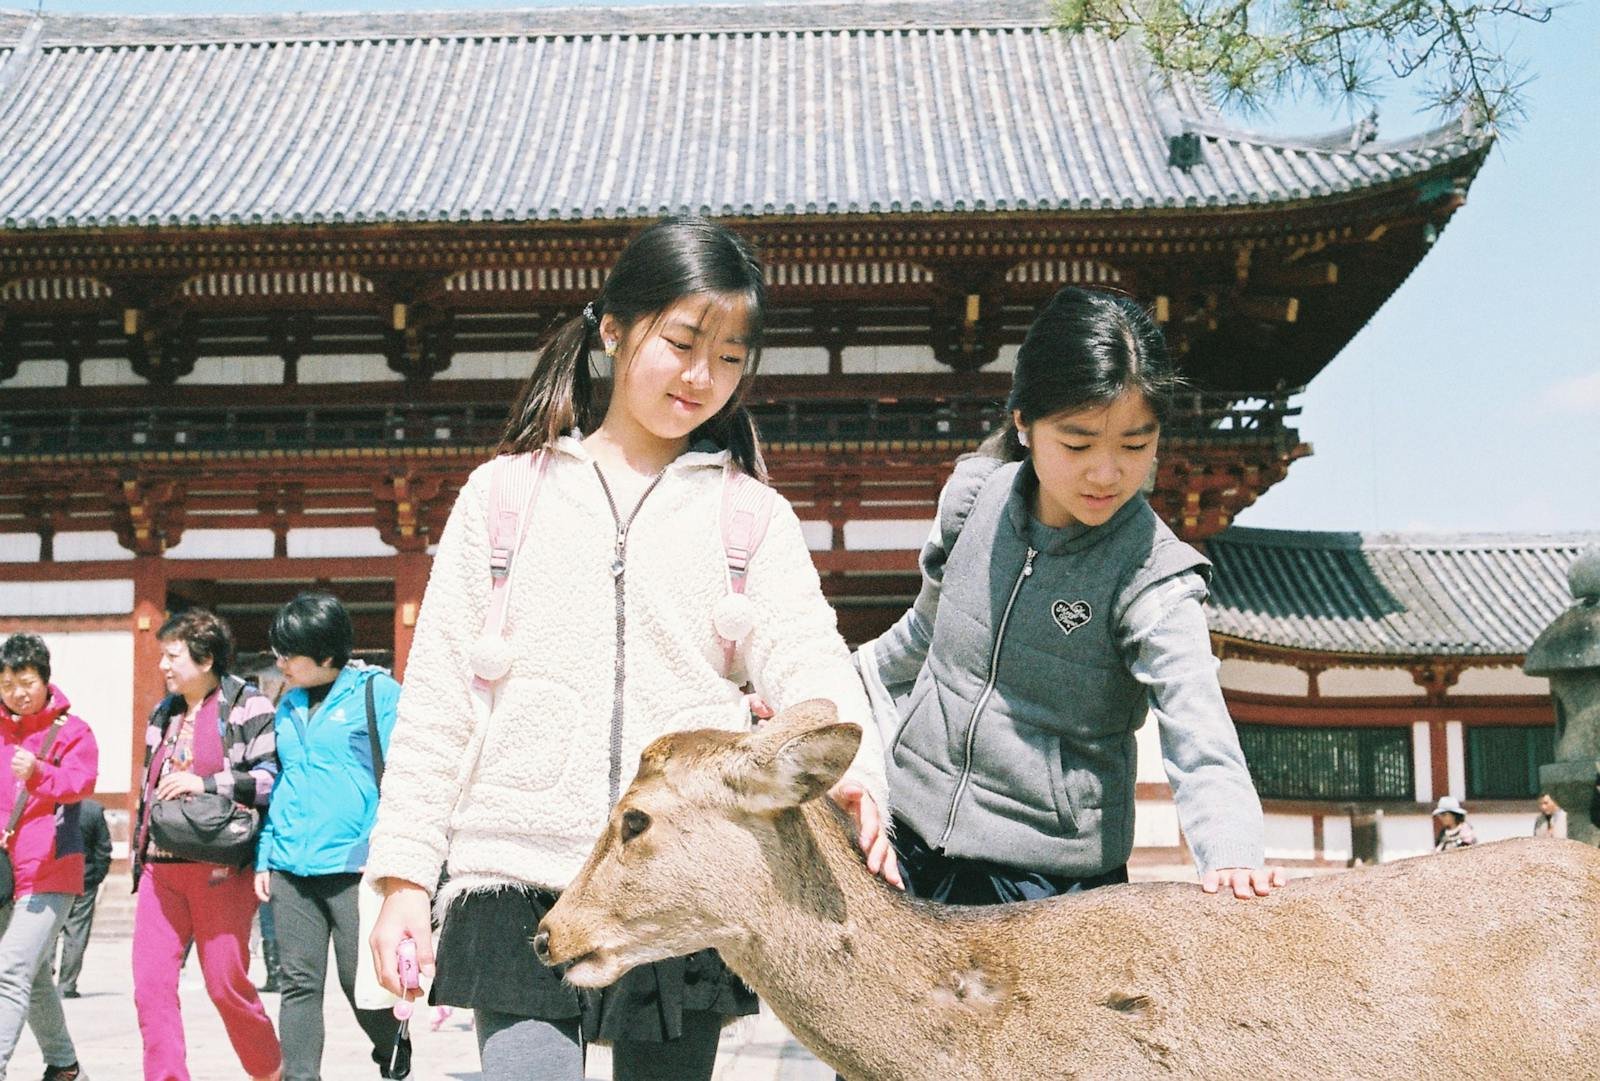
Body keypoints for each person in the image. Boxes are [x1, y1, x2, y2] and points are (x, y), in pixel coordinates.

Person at [364, 215, 892, 1081]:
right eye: (682, 341)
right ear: (612, 327)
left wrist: (854, 771)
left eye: (729, 355)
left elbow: (809, 654)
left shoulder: (748, 517)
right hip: (518, 870)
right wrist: (402, 883)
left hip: (677, 878)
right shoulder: (503, 499)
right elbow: (437, 709)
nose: (702, 376)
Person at [856, 285, 1283, 908]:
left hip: (1046, 882)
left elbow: (1199, 727)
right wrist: (813, 693)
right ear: (1024, 424)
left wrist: (1235, 853)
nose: (1106, 473)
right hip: (908, 838)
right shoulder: (974, 500)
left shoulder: (1154, 577)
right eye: (1078, 443)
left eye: (1135, 445)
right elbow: (920, 637)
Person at [254, 592, 407, 1080]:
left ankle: (393, 1049)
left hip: (354, 865)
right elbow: (284, 782)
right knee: (297, 983)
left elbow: (407, 774)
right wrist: (265, 854)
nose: (280, 663)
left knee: (358, 978)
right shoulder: (288, 704)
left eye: (288, 654)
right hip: (290, 866)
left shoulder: (377, 694)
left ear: (326, 654)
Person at [131, 609, 282, 1081]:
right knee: (150, 986)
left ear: (206, 657)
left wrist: (205, 783)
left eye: (173, 656)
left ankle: (271, 1071)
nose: (164, 666)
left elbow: (267, 780)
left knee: (225, 985)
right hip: (161, 868)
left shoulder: (247, 704)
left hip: (220, 870)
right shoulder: (164, 712)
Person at [0, 633, 98, 1081]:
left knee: (10, 971)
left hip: (51, 868)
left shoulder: (72, 730)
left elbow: (81, 783)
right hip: (4, 872)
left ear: (45, 678)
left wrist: (38, 771)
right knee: (34, 975)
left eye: (25, 680)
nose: (17, 692)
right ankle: (63, 1066)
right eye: (6, 684)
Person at [51, 796, 110, 999]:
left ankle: (42, 978)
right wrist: (96, 876)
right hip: (84, 878)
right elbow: (103, 848)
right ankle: (67, 985)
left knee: (49, 930)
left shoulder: (51, 804)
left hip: (54, 878)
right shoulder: (93, 809)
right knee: (77, 933)